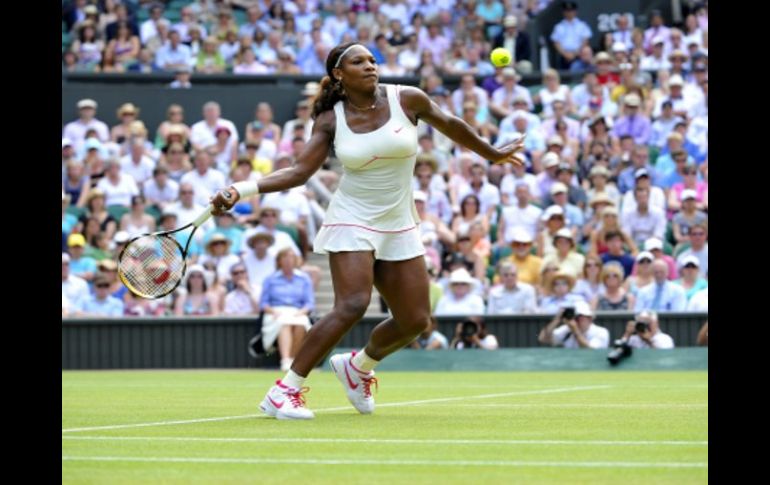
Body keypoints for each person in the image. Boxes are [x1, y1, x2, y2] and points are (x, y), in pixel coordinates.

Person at [210, 42, 525, 419]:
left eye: (373, 60)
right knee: (353, 303)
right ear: (339, 75)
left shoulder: (408, 98)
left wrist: (491, 152)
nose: (370, 66)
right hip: (352, 216)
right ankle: (284, 390)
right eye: (358, 62)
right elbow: (298, 172)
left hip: (398, 221)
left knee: (415, 320)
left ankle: (357, 367)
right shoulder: (331, 119)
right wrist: (240, 189)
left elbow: (451, 124)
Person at [538, 301, 609, 349]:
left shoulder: (600, 332)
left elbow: (591, 352)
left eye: (579, 317)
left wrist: (576, 331)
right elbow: (543, 338)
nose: (576, 320)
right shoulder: (566, 330)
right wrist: (557, 320)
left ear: (590, 319)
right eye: (574, 317)